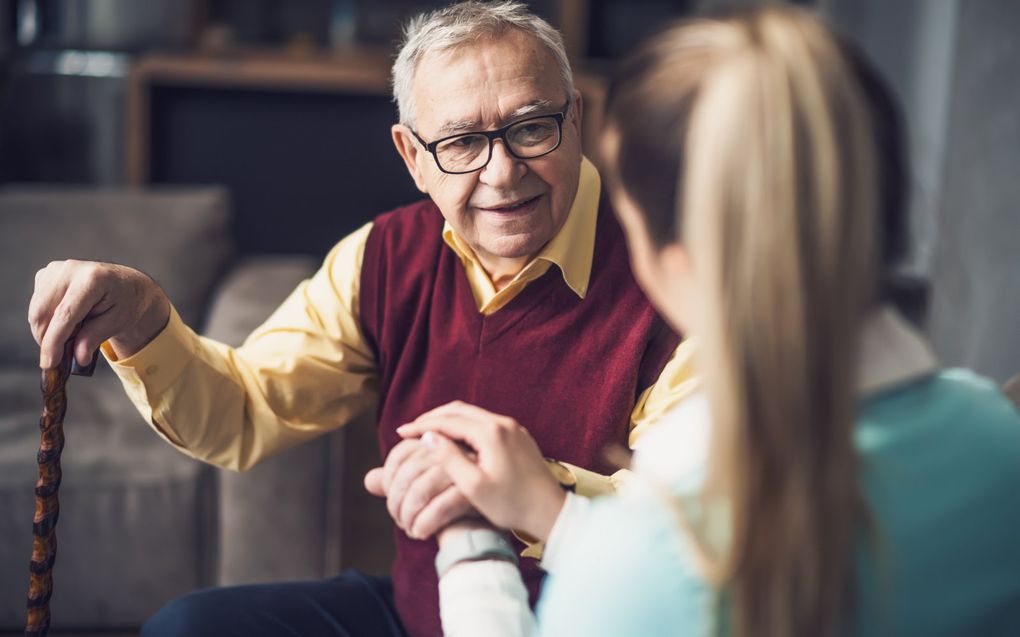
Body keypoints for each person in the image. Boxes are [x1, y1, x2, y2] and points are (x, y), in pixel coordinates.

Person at [27, 3, 695, 636]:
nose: (501, 172)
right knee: (188, 627)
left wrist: (531, 486)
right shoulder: (382, 257)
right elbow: (246, 409)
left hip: (601, 619)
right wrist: (145, 320)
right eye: (462, 142)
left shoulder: (675, 276)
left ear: (575, 118)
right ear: (411, 156)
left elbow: (693, 542)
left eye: (529, 128)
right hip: (420, 610)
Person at [400, 7, 1020, 636]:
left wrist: (471, 545)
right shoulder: (1000, 439)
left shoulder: (651, 564)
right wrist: (556, 517)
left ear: (674, 252)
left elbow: (655, 586)